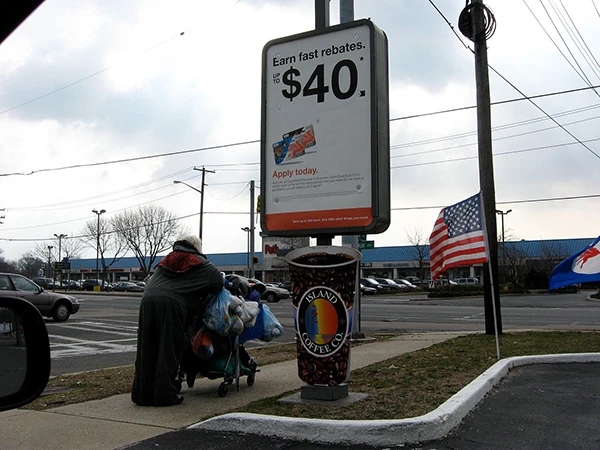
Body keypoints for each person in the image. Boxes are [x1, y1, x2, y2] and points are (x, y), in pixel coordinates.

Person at [131, 235, 224, 406]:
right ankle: (164, 395)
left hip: (148, 301)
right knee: (169, 348)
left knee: (147, 347)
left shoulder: (165, 260)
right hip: (173, 305)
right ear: (197, 247)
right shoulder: (198, 262)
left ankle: (142, 394)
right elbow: (218, 282)